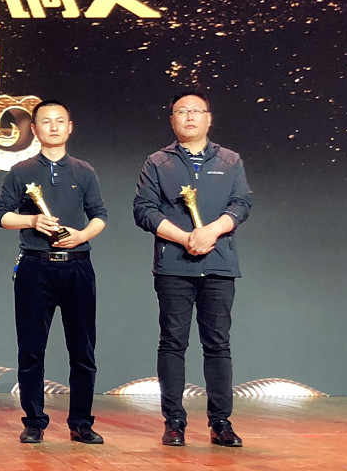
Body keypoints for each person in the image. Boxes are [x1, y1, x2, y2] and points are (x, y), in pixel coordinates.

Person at [133, 90, 252, 448]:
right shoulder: (157, 162)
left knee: (218, 344)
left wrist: (212, 231)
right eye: (181, 111)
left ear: (208, 118)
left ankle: (221, 423)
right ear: (172, 120)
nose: (189, 116)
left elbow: (241, 203)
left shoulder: (230, 160)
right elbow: (144, 210)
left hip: (218, 265)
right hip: (174, 266)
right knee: (172, 343)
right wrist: (185, 238)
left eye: (196, 111)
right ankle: (174, 422)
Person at [0, 100, 107, 445]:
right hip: (35, 267)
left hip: (78, 267)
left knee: (82, 351)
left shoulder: (84, 171)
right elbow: (0, 215)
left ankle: (81, 422)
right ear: (34, 129)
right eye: (46, 121)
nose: (53, 127)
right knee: (31, 350)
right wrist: (31, 220)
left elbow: (100, 215)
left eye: (60, 121)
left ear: (70, 127)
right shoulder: (21, 170)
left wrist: (82, 235)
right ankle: (34, 421)